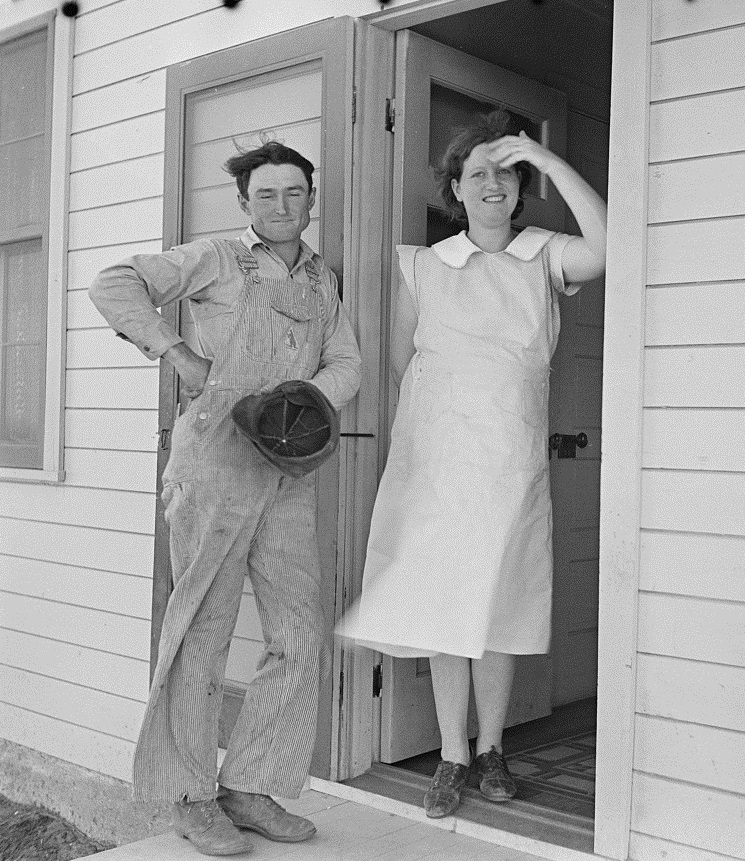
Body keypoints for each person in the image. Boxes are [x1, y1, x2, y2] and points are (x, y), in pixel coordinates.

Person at [89, 142, 361, 856]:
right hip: (214, 462)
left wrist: (301, 402)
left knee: (298, 632)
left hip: (288, 469)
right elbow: (114, 282)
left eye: (295, 193)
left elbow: (346, 360)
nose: (282, 206)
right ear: (245, 203)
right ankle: (190, 796)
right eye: (266, 194)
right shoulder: (216, 258)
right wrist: (176, 352)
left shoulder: (321, 280)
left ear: (311, 199)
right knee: (203, 632)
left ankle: (249, 786)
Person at [337, 111, 606, 819]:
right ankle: (453, 753)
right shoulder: (424, 265)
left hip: (510, 460)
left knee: (502, 598)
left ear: (521, 187)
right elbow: (405, 359)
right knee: (443, 598)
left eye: (507, 172)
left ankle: (492, 749)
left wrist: (550, 162)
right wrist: (437, 434)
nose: (493, 183)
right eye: (477, 172)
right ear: (455, 187)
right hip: (437, 459)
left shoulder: (545, 256)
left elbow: (610, 247)